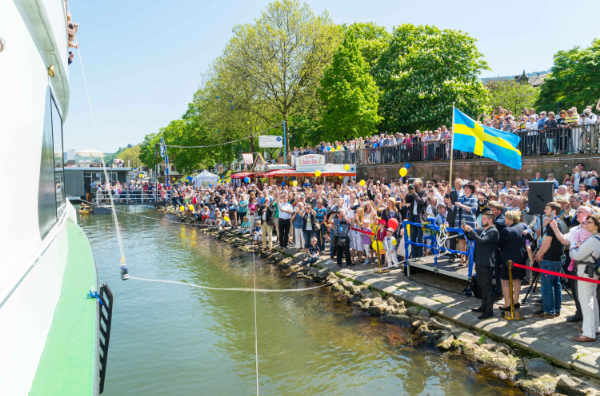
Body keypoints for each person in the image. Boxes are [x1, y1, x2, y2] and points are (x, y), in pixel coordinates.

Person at [568, 214, 600, 342]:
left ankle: (588, 333)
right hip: (591, 272)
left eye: (589, 222)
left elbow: (576, 255)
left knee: (586, 301)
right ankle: (594, 327)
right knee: (592, 300)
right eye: (586, 222)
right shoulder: (595, 238)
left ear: (597, 225)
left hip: (586, 272)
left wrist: (573, 246)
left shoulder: (593, 239)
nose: (586, 224)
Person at [463, 210, 499, 320]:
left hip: (487, 263)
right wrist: (466, 231)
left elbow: (482, 241)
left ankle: (489, 311)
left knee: (487, 287)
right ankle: (483, 306)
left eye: (484, 219)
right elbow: (472, 237)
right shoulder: (484, 230)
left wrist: (472, 232)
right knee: (482, 286)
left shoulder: (493, 231)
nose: (482, 221)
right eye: (482, 219)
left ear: (490, 220)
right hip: (480, 261)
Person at [534, 202, 565, 318]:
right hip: (556, 259)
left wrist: (539, 254)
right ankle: (556, 309)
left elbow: (547, 242)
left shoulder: (553, 223)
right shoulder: (557, 222)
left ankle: (549, 310)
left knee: (547, 285)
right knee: (556, 284)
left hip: (550, 258)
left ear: (554, 211)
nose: (544, 211)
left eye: (547, 209)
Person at [498, 210, 533, 312]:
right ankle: (516, 301)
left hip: (507, 260)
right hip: (520, 259)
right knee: (517, 280)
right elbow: (529, 238)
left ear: (510, 219)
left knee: (505, 281)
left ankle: (507, 304)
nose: (505, 220)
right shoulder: (523, 226)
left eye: (506, 218)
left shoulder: (506, 230)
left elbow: (500, 245)